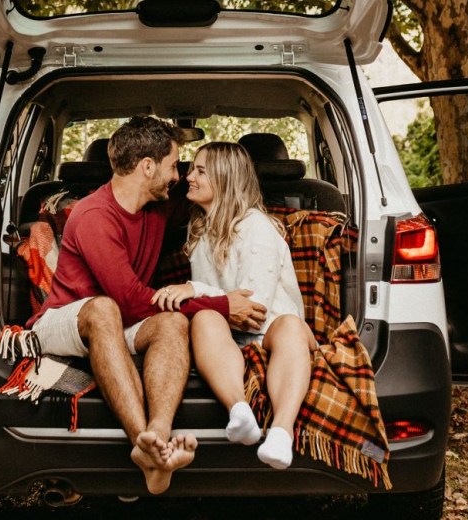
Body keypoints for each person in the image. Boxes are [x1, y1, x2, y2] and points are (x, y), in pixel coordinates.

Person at [26, 118, 268, 494]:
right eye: (174, 165)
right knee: (104, 308)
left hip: (121, 319)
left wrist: (265, 222)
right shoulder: (93, 216)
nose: (179, 176)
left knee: (172, 322)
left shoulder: (161, 205)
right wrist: (220, 305)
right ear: (148, 167)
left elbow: (218, 197)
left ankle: (158, 435)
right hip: (65, 318)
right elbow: (131, 301)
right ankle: (143, 446)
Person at [151, 142, 313, 470]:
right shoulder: (201, 229)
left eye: (199, 171)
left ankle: (282, 433)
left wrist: (193, 289)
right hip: (230, 331)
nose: (188, 177)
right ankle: (239, 412)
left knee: (291, 327)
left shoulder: (257, 226)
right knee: (203, 319)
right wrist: (199, 299)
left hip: (271, 326)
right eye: (190, 169)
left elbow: (254, 308)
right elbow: (221, 307)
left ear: (225, 178)